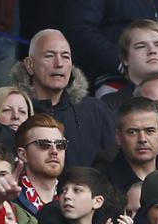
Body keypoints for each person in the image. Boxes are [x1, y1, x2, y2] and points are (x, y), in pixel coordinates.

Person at [12, 29, 116, 168]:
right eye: (49, 56)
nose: (59, 64)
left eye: (65, 57)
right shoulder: (15, 111)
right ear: (30, 65)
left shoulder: (96, 110)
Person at [13, 114, 66, 213]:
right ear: (23, 154)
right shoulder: (8, 198)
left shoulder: (75, 198)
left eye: (60, 145)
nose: (54, 151)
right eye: (44, 144)